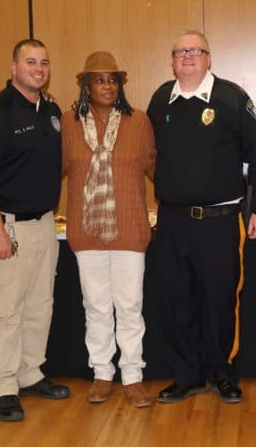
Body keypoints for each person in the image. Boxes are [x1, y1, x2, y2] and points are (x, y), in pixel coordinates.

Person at [146, 29, 256, 404]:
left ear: (208, 58)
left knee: (220, 301)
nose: (187, 56)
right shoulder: (159, 100)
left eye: (195, 50)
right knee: (177, 301)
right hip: (172, 222)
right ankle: (187, 376)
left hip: (220, 221)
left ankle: (223, 373)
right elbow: (150, 156)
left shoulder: (232, 97)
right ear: (172, 60)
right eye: (180, 51)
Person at [0, 38, 69, 422]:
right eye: (30, 62)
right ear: (13, 68)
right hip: (6, 227)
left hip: (44, 224)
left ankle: (29, 373)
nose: (38, 69)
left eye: (44, 62)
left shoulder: (53, 110)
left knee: (39, 306)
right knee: (4, 311)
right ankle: (4, 385)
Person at [61, 51, 156, 407]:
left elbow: (158, 169)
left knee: (130, 307)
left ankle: (132, 376)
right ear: (85, 85)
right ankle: (102, 373)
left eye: (112, 79)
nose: (107, 86)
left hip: (130, 230)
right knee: (96, 307)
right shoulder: (68, 124)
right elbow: (49, 170)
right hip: (86, 232)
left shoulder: (140, 122)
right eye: (99, 79)